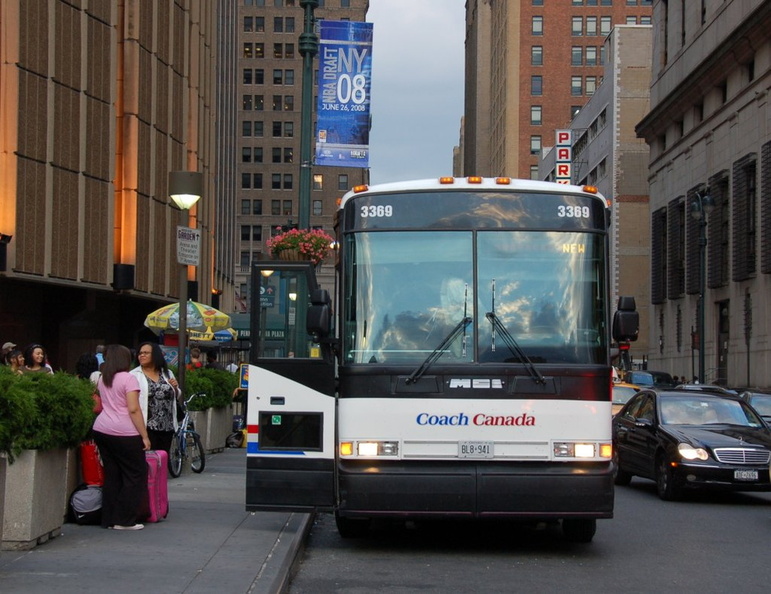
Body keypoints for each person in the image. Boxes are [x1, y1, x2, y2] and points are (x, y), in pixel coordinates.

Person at [92, 344, 150, 530]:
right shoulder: (129, 379)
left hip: (102, 428)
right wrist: (145, 436)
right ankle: (124, 520)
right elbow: (133, 409)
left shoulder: (103, 379)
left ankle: (108, 518)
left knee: (112, 474)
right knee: (136, 475)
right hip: (125, 432)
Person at [130, 341, 181, 454]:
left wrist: (175, 388)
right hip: (147, 427)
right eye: (140, 353)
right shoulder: (134, 375)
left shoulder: (167, 373)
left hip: (167, 426)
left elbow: (175, 396)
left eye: (146, 353)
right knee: (148, 460)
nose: (142, 355)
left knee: (163, 460)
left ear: (155, 355)